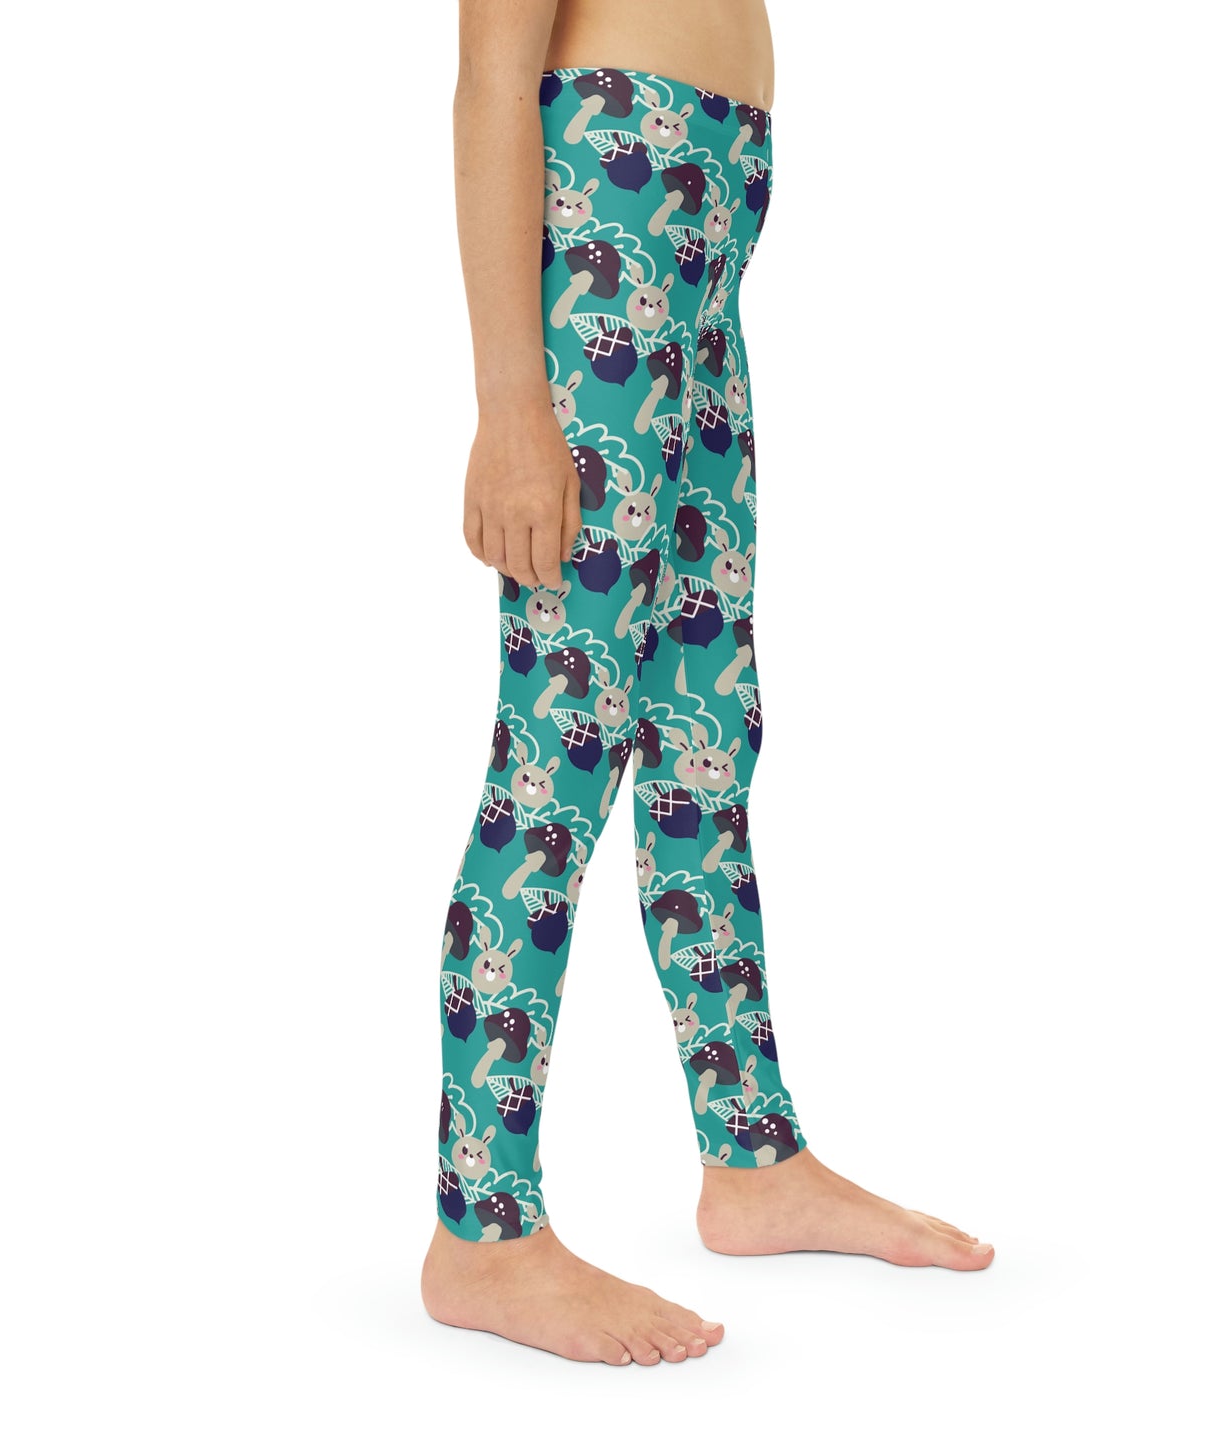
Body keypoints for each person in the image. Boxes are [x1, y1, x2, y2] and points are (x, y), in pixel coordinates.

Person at [422, 0, 993, 1366]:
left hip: (701, 243)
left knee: (703, 739)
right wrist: (512, 411)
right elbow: (491, 79)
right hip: (608, 227)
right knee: (558, 752)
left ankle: (753, 1159)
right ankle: (482, 1229)